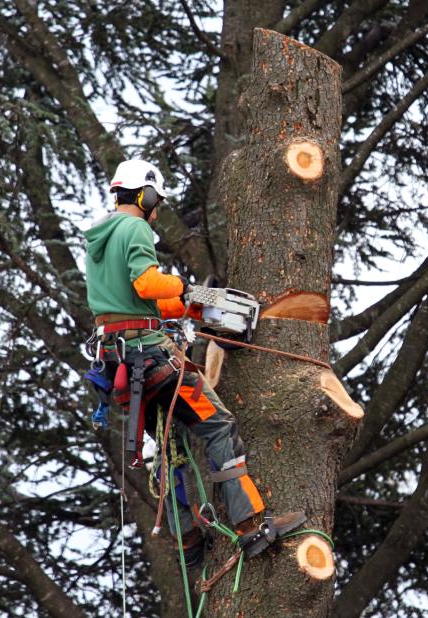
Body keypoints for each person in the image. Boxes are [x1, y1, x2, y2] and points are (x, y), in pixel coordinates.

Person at [82, 159, 305, 565]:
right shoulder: (134, 227)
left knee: (171, 446)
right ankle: (250, 527)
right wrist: (184, 285)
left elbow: (133, 302)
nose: (157, 209)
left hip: (121, 362)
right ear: (145, 194)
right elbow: (147, 282)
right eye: (156, 201)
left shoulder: (100, 238)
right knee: (218, 427)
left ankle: (186, 538)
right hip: (151, 358)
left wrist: (184, 305)